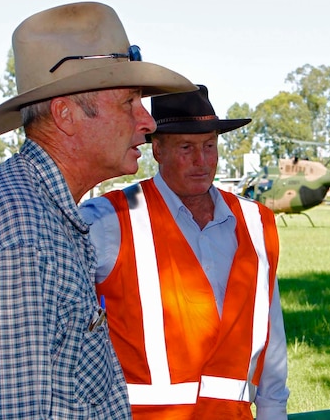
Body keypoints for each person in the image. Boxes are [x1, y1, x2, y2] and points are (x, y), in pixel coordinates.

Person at [0, 2, 198, 419]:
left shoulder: (39, 212)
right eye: (129, 103)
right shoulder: (20, 234)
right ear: (66, 114)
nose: (147, 122)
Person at [79, 86, 289, 419]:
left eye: (209, 146)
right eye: (186, 148)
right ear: (157, 149)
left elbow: (270, 330)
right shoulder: (109, 218)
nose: (201, 161)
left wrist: (273, 410)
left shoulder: (255, 221)